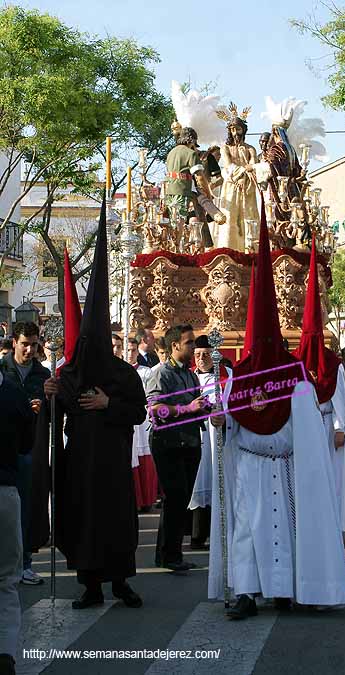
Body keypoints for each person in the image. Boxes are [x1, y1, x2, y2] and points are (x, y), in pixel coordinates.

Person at [208, 205, 345, 619]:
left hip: (287, 464)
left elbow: (306, 424)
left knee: (288, 528)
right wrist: (221, 422)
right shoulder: (237, 377)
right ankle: (247, 593)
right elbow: (228, 419)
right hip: (251, 464)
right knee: (248, 531)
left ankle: (287, 588)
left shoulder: (295, 375)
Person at [38, 199, 146, 609]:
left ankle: (121, 583)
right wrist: (49, 398)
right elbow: (53, 416)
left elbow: (138, 412)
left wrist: (108, 404)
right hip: (80, 462)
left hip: (114, 461)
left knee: (117, 521)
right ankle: (90, 585)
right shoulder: (68, 374)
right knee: (84, 521)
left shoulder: (124, 374)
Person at [292, 237, 345, 535]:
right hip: (301, 427)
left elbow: (341, 400)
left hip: (324, 424)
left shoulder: (333, 365)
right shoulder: (292, 364)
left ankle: (329, 525)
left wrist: (341, 428)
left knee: (329, 478)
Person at [147, 324, 207, 572]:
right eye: (189, 342)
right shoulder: (162, 374)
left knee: (181, 499)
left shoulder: (190, 375)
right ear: (175, 346)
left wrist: (205, 408)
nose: (193, 347)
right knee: (175, 496)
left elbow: (195, 405)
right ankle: (169, 554)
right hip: (168, 442)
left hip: (190, 440)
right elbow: (155, 409)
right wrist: (187, 409)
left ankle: (171, 553)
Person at [2, 321, 49, 586]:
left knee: (27, 505)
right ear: (14, 343)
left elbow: (53, 412)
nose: (30, 349)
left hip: (30, 447)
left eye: (34, 344)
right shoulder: (3, 370)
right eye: (25, 344)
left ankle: (26, 562)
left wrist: (44, 406)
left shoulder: (42, 375)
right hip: (4, 448)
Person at [0, 371, 33, 675]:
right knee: (6, 580)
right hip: (5, 491)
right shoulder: (13, 393)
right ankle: (5, 652)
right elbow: (26, 443)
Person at [188, 335, 233, 549]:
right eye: (197, 355)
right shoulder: (189, 378)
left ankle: (222, 533)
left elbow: (234, 404)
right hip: (197, 436)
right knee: (199, 480)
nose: (201, 359)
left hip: (220, 436)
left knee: (219, 480)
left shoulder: (227, 377)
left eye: (205, 354)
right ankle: (197, 536)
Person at [214, 104, 259, 250]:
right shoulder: (225, 148)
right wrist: (243, 171)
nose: (235, 133)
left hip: (248, 187)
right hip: (231, 187)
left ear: (243, 130)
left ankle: (251, 249)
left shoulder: (250, 148)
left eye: (238, 129)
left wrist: (246, 171)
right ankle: (229, 249)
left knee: (249, 216)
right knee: (231, 217)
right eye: (232, 129)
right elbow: (228, 167)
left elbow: (255, 166)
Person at [127, 338, 158, 513]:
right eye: (128, 350)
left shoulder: (147, 372)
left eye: (133, 350)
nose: (130, 353)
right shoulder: (120, 371)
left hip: (143, 419)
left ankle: (146, 498)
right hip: (129, 420)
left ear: (138, 351)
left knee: (144, 456)